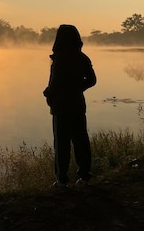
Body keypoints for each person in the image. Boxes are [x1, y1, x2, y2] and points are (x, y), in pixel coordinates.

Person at [43, 24, 97, 188]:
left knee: (61, 144)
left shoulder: (60, 59)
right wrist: (78, 88)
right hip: (78, 105)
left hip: (61, 107)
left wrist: (48, 93)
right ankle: (85, 177)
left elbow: (55, 84)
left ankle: (62, 180)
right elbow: (92, 80)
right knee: (81, 140)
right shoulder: (82, 58)